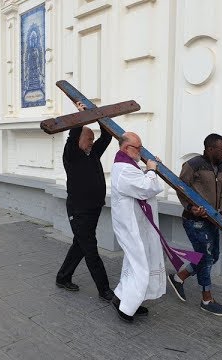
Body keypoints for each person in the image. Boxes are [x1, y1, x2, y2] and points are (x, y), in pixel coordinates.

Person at [55, 101, 114, 302]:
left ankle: (63, 277)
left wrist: (99, 116)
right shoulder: (71, 155)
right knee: (90, 249)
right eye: (89, 139)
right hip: (79, 210)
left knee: (80, 244)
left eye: (92, 139)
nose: (91, 142)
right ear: (79, 139)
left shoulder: (92, 154)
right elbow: (73, 135)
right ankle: (104, 290)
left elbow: (106, 137)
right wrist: (80, 118)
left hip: (94, 208)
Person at [167, 133, 222, 316]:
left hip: (214, 220)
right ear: (210, 149)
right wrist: (190, 207)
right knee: (205, 257)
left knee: (213, 256)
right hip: (194, 221)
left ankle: (179, 277)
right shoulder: (193, 165)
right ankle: (206, 299)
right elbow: (180, 188)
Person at [110, 132, 166, 323]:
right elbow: (145, 187)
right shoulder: (124, 168)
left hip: (132, 225)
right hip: (130, 227)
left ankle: (120, 298)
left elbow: (137, 181)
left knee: (132, 263)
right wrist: (151, 170)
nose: (141, 151)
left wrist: (149, 168)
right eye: (138, 148)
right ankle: (127, 309)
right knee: (140, 266)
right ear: (127, 149)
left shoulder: (125, 165)